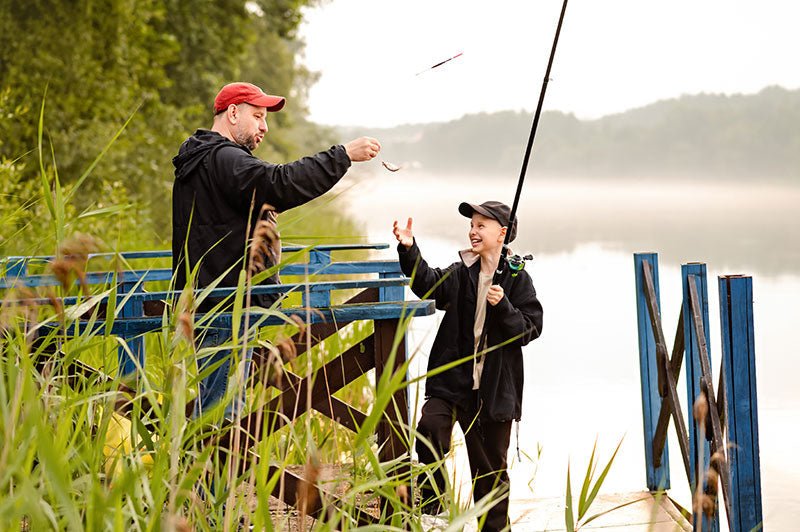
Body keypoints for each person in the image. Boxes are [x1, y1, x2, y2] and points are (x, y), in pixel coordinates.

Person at [172, 81, 381, 417]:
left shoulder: (200, 159)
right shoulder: (224, 157)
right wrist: (342, 156)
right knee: (221, 410)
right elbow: (280, 183)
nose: (264, 127)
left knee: (220, 404)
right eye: (258, 116)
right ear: (233, 113)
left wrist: (264, 212)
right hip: (226, 304)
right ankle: (212, 467)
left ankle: (208, 465)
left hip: (214, 300)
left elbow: (227, 214)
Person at [392, 201, 543, 531]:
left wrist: (503, 306)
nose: (473, 231)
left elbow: (530, 330)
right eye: (471, 225)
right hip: (452, 383)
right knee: (429, 428)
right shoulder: (462, 271)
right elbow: (428, 283)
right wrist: (409, 249)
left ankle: (494, 529)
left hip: (493, 393)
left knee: (490, 470)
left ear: (501, 234)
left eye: (481, 226)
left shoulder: (517, 280)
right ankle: (435, 507)